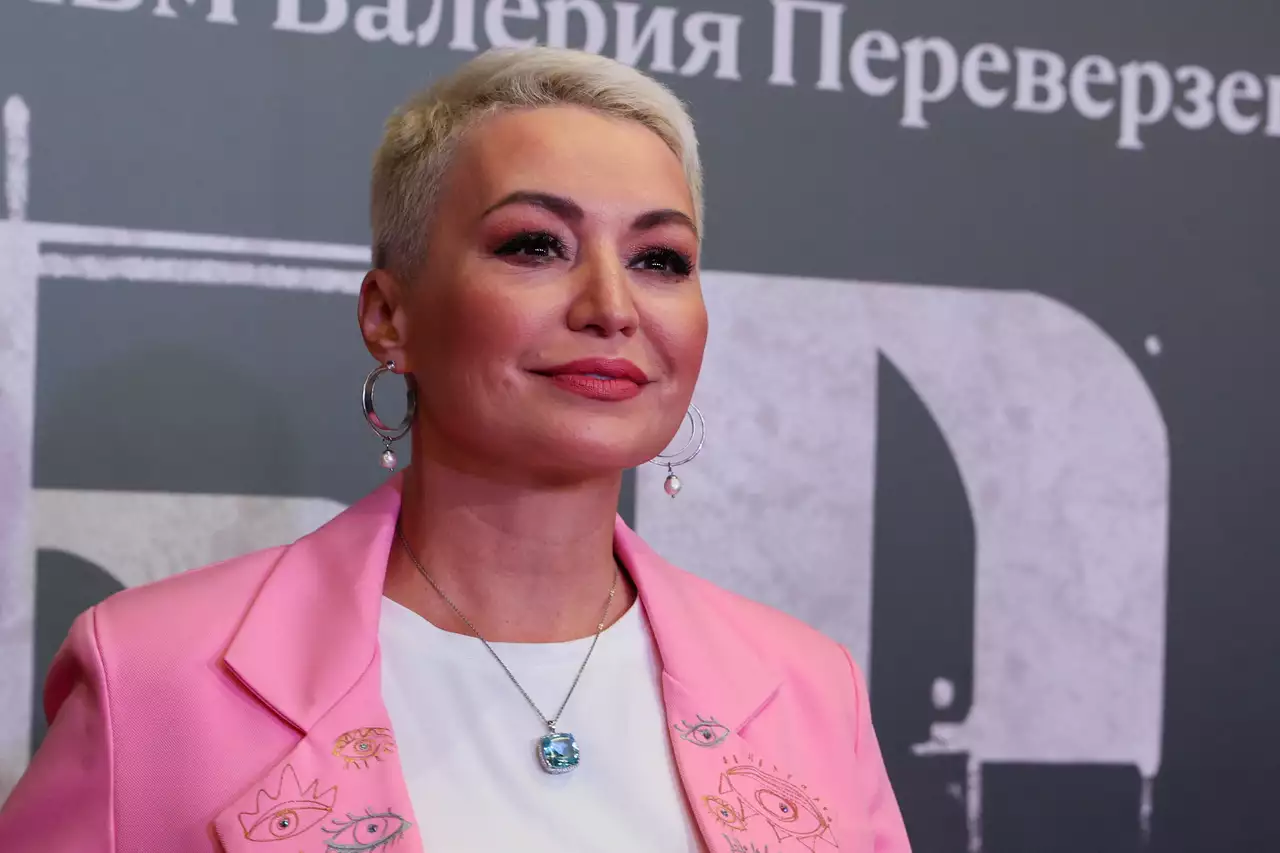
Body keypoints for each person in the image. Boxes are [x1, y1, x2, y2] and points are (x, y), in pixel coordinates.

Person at [0, 46, 911, 853]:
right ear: (388, 316)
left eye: (660, 259)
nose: (612, 306)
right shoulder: (155, 676)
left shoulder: (808, 689)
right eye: (536, 245)